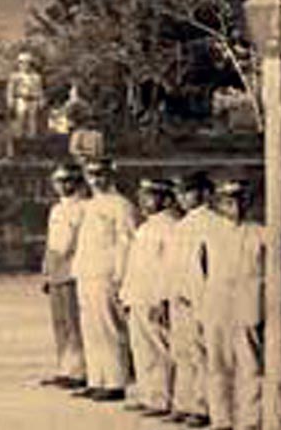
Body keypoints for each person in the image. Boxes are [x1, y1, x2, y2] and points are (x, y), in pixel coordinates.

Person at [71, 156, 137, 401]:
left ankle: (115, 381)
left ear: (111, 175)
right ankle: (96, 378)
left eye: (100, 174)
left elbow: (126, 243)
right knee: (90, 328)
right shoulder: (89, 205)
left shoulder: (120, 205)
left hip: (106, 273)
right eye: (91, 175)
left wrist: (121, 276)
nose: (95, 180)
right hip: (87, 272)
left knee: (109, 327)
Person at [204, 179, 264, 430]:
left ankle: (250, 420)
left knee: (249, 366)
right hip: (216, 305)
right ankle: (221, 418)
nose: (235, 207)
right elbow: (200, 271)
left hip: (246, 307)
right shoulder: (209, 234)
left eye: (240, 201)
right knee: (218, 365)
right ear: (219, 205)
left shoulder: (261, 233)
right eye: (228, 202)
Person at [166, 170, 221, 428]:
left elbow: (211, 265)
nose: (183, 197)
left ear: (204, 193)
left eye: (188, 191)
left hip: (201, 298)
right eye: (179, 192)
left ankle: (204, 406)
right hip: (180, 296)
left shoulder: (212, 223)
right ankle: (184, 402)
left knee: (202, 354)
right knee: (182, 352)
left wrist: (202, 295)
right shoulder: (182, 224)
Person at [121, 177, 178, 417]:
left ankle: (162, 397)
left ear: (166, 199)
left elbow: (169, 268)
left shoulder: (170, 227)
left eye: (151, 196)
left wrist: (162, 299)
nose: (144, 201)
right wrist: (127, 295)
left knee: (159, 348)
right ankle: (147, 394)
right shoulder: (145, 228)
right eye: (143, 196)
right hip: (138, 296)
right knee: (141, 348)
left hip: (154, 298)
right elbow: (134, 266)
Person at [41, 161, 87, 390]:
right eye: (58, 181)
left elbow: (76, 244)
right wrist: (46, 271)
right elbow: (51, 243)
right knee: (60, 323)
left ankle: (80, 370)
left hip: (72, 270)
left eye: (67, 181)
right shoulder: (57, 210)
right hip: (56, 269)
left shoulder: (83, 208)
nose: (62, 185)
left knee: (74, 322)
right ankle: (64, 367)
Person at [6, 51, 44, 157]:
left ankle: (30, 151)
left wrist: (41, 101)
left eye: (27, 62)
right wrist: (10, 103)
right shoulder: (15, 76)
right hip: (20, 99)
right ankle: (17, 150)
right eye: (21, 62)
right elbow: (10, 91)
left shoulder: (36, 77)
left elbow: (40, 90)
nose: (24, 65)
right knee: (19, 123)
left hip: (33, 100)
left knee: (32, 125)